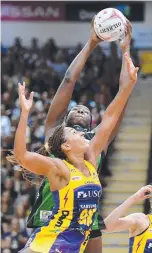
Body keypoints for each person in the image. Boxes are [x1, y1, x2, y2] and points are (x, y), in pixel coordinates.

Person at [23, 19, 133, 253]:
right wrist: (91, 43)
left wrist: (126, 51)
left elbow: (121, 101)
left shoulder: (95, 143)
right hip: (52, 214)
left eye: (86, 110)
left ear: (93, 123)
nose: (81, 108)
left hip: (86, 219)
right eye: (75, 108)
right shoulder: (56, 133)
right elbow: (69, 80)